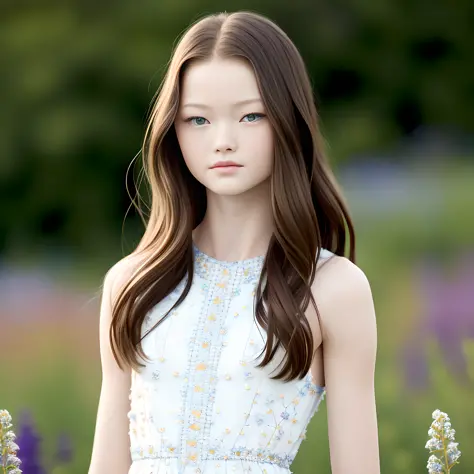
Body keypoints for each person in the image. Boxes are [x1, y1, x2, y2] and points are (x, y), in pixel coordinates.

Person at [88, 10, 380, 474]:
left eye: (250, 115)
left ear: (289, 121)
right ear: (173, 130)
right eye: (198, 120)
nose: (223, 141)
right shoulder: (131, 283)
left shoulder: (333, 288)